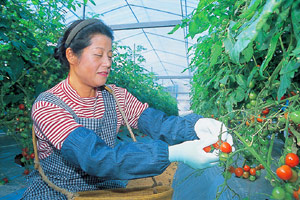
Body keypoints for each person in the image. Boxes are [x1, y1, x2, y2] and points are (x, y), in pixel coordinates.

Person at [21, 19, 233, 199]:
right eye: (98, 54)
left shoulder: (116, 96)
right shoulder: (48, 106)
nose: (107, 63)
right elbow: (96, 158)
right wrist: (173, 152)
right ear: (71, 56)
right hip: (58, 193)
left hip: (105, 190)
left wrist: (196, 126)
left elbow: (158, 123)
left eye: (110, 56)